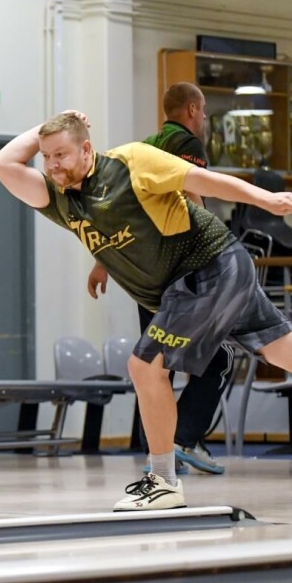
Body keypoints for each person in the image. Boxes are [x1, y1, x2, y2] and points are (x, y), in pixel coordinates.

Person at [0, 109, 292, 511]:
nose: (52, 165)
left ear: (88, 148)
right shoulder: (63, 201)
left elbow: (202, 182)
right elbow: (2, 165)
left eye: (61, 154)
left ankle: (162, 481)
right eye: (46, 157)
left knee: (145, 366)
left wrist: (264, 200)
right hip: (196, 285)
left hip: (208, 267)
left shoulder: (131, 162)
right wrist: (46, 131)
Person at [87, 82, 228, 476]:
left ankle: (159, 452)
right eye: (202, 111)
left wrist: (103, 261)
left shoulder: (143, 147)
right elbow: (195, 197)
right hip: (182, 272)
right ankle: (182, 439)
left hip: (144, 276)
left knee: (155, 364)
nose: (202, 118)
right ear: (192, 109)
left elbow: (115, 213)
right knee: (219, 358)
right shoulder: (187, 143)